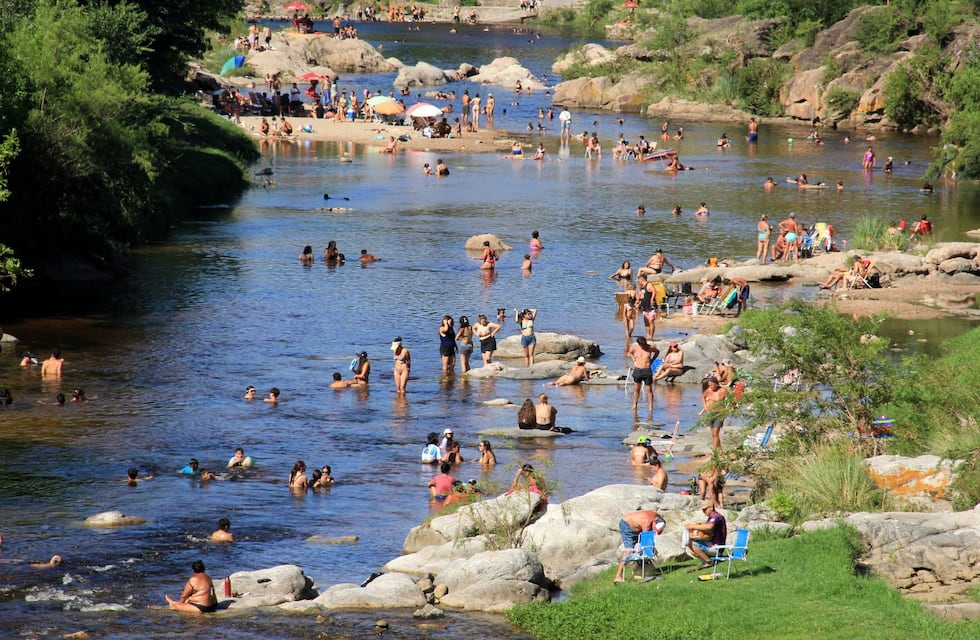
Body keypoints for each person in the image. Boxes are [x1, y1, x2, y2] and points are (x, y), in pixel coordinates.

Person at [613, 509, 667, 583]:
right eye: (654, 530)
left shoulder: (658, 518)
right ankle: (618, 576)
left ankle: (646, 570)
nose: (655, 532)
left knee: (645, 549)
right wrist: (651, 551)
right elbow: (645, 541)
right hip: (627, 525)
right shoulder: (647, 523)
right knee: (629, 550)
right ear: (653, 524)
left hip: (637, 526)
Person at [684, 500, 727, 570]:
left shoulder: (716, 517)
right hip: (713, 545)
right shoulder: (711, 517)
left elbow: (709, 527)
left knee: (693, 544)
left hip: (717, 547)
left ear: (711, 508)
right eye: (703, 510)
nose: (704, 511)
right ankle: (707, 560)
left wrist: (692, 526)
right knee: (689, 543)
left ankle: (708, 562)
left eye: (705, 509)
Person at [629, 336, 658, 414]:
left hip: (647, 370)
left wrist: (652, 360)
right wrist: (633, 360)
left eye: (644, 344)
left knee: (649, 390)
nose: (644, 346)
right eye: (642, 345)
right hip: (638, 370)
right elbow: (630, 353)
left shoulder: (650, 347)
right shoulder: (635, 348)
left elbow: (657, 352)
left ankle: (650, 407)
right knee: (636, 389)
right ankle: (635, 405)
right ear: (639, 344)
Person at [700, 376, 728, 450]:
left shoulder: (723, 391)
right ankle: (720, 450)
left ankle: (715, 452)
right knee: (713, 434)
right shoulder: (708, 390)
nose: (710, 387)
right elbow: (703, 396)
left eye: (712, 385)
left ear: (716, 384)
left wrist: (727, 410)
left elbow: (732, 399)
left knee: (716, 433)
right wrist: (705, 406)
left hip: (719, 414)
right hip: (710, 414)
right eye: (709, 385)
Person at [635, 274, 657, 341]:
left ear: (642, 279)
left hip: (650, 306)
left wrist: (652, 299)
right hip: (644, 306)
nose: (638, 281)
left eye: (638, 280)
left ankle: (651, 336)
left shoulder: (649, 285)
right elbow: (639, 295)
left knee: (651, 321)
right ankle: (647, 334)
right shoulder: (641, 287)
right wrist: (637, 301)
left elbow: (654, 291)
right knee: (646, 321)